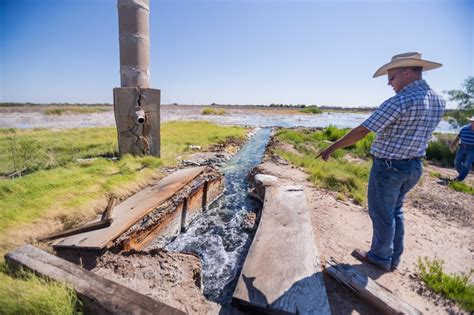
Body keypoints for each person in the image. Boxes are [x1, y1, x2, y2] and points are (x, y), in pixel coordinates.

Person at [317, 52, 445, 271]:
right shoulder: (438, 99)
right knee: (395, 211)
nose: (388, 83)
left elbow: (363, 130)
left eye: (391, 77)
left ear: (407, 72)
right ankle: (392, 258)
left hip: (389, 167)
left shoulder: (401, 100)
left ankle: (379, 257)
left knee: (382, 214)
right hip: (414, 166)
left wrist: (332, 147)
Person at [450, 116, 474, 181]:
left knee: (467, 164)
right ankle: (462, 174)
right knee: (456, 162)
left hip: (472, 149)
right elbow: (458, 138)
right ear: (471, 122)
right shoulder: (464, 129)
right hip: (462, 147)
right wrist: (452, 145)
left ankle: (460, 179)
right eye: (473, 121)